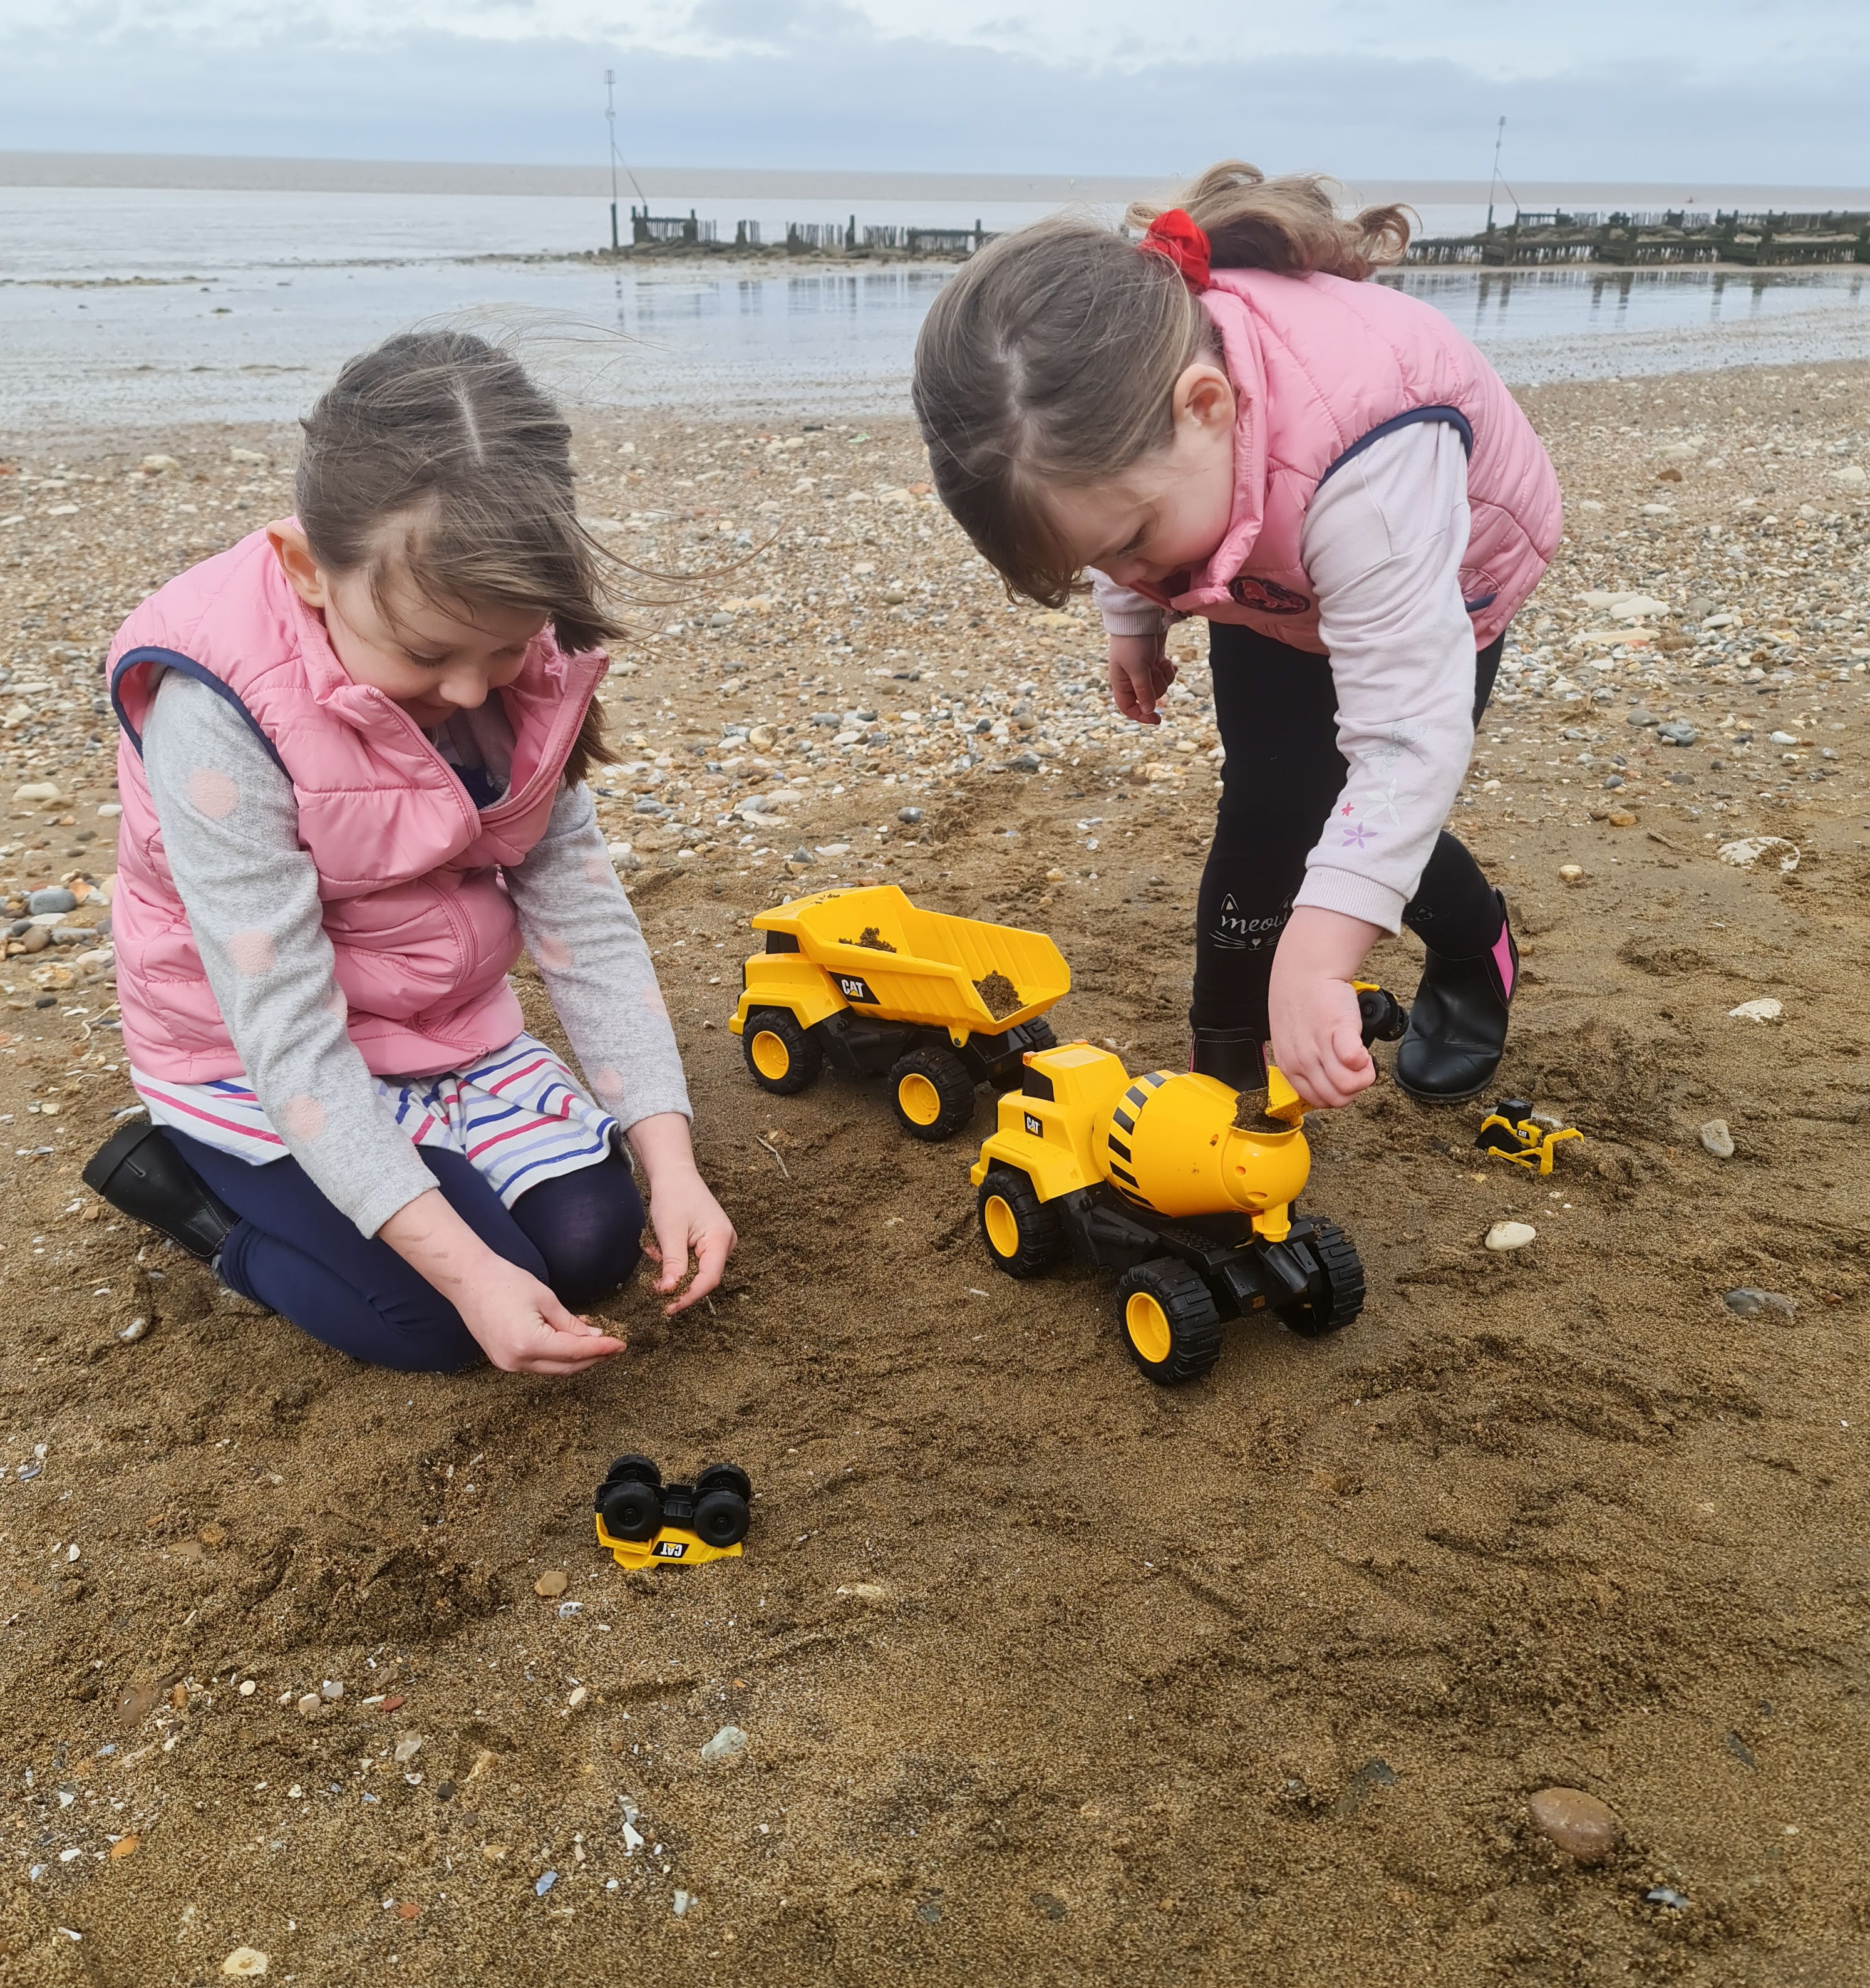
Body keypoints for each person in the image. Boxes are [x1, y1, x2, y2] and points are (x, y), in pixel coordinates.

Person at [83, 329, 735, 1375]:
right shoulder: (212, 715)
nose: (473, 690)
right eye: (428, 654)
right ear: (308, 570)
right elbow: (285, 1025)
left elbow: (581, 916)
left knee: (591, 1244)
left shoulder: (504, 628)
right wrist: (469, 1278)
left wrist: (673, 1161)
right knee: (432, 1319)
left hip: (435, 1028)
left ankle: (440, 1177)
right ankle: (198, 1201)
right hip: (251, 1053)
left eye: (505, 648)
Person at [912, 162, 1562, 1110]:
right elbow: (1115, 520)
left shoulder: (1373, 476)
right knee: (1269, 800)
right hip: (1263, 556)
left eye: (1131, 543)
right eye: (1100, 559)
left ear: (1207, 406)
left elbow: (1404, 743)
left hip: (1438, 573)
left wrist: (1319, 956)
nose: (1132, 571)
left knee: (1358, 796)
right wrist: (1133, 619)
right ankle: (1224, 1055)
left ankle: (1472, 944)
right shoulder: (1157, 457)